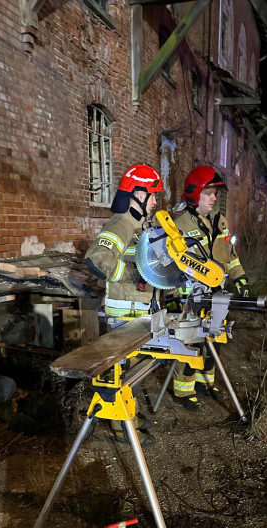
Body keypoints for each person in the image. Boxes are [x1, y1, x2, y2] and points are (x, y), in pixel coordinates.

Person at [84, 163, 164, 445]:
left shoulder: (141, 226)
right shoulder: (120, 224)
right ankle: (121, 427)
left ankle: (129, 416)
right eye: (153, 195)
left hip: (140, 312)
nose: (155, 201)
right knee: (124, 375)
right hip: (123, 316)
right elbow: (96, 258)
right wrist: (134, 275)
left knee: (134, 374)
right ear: (138, 194)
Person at [171, 165, 250, 410]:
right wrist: (173, 297)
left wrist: (240, 278)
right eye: (209, 193)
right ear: (195, 194)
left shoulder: (220, 221)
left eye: (215, 193)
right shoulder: (179, 224)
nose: (214, 198)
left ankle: (206, 382)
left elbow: (231, 254)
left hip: (217, 292)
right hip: (191, 295)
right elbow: (173, 265)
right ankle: (184, 390)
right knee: (190, 342)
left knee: (213, 338)